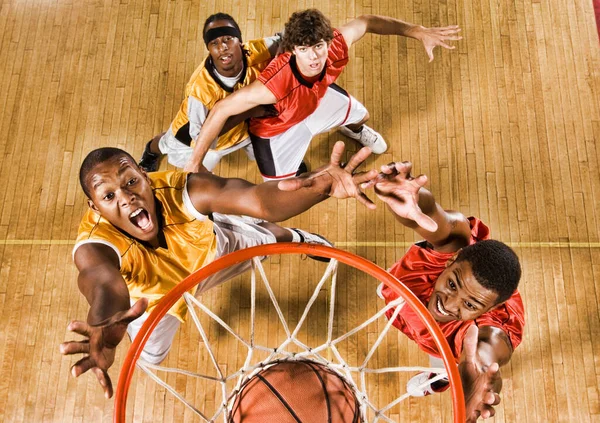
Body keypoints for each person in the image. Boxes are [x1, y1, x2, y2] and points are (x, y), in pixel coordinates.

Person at [60, 142, 378, 399]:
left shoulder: (186, 190)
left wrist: (320, 187)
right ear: (94, 207)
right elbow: (105, 287)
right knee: (150, 357)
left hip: (211, 256)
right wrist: (105, 330)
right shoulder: (94, 247)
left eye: (131, 181)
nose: (127, 197)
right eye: (109, 195)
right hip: (157, 301)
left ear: (145, 176)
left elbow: (261, 200)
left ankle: (296, 237)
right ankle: (234, 222)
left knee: (270, 238)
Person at [184, 9, 462, 179]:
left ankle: (353, 131)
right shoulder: (274, 83)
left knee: (361, 115)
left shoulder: (338, 44)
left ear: (328, 41)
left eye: (318, 46)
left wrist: (416, 31)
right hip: (278, 129)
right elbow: (221, 109)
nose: (314, 57)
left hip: (315, 102)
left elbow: (366, 22)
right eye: (304, 50)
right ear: (293, 50)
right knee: (281, 187)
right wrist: (195, 162)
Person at [366, 161, 525, 422]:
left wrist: (481, 376)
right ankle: (393, 294)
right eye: (452, 284)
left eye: (470, 305)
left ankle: (440, 380)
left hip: (443, 345)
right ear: (451, 262)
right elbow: (440, 221)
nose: (449, 304)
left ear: (489, 311)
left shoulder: (485, 334)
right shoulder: (452, 250)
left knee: (446, 363)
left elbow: (486, 353)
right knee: (395, 291)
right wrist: (416, 200)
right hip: (407, 294)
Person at [138, 13, 281, 172]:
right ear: (209, 49)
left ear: (239, 42)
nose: (222, 47)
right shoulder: (200, 91)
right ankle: (151, 151)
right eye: (214, 42)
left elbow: (286, 39)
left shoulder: (256, 50)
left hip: (246, 130)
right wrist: (249, 111)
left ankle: (287, 165)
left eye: (228, 38)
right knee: (164, 143)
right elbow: (203, 137)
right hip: (196, 138)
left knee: (271, 150)